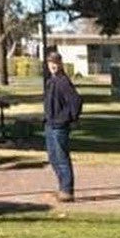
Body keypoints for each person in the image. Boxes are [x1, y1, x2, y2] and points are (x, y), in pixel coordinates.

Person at [43, 49, 82, 201]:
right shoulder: (51, 80)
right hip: (50, 124)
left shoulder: (63, 81)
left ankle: (67, 190)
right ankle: (62, 187)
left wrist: (70, 118)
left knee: (62, 157)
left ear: (60, 64)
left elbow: (76, 101)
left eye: (55, 62)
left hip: (59, 125)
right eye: (50, 63)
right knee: (53, 158)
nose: (53, 65)